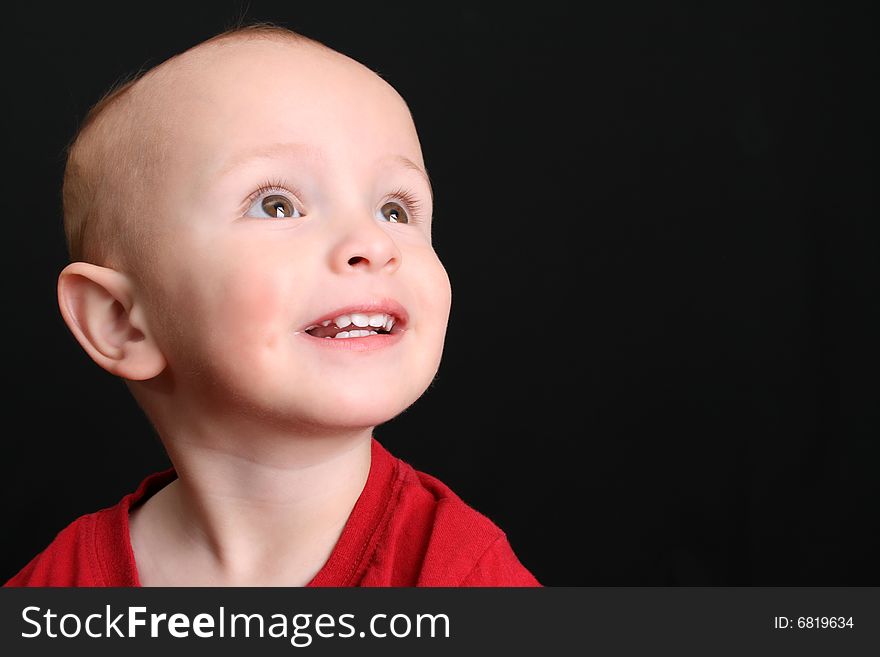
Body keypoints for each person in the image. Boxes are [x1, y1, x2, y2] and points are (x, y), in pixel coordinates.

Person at [4, 23, 539, 587]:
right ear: (120, 321)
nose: (373, 244)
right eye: (278, 205)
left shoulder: (459, 573)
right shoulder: (57, 589)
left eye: (395, 210)